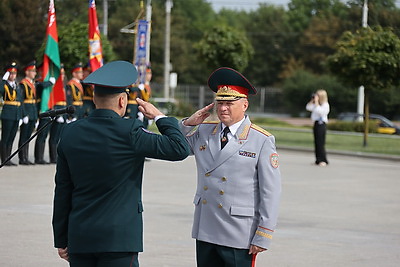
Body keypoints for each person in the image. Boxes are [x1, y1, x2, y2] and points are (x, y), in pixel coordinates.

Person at [52, 60, 190, 267]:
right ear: (122, 101)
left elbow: (63, 190)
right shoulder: (130, 132)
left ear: (95, 99)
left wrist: (61, 239)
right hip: (119, 239)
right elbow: (179, 149)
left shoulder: (70, 132)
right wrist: (160, 117)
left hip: (80, 236)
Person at [180, 67, 282, 267]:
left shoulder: (261, 139)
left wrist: (264, 232)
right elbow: (176, 147)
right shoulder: (204, 130)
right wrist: (188, 123)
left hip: (239, 232)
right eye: (220, 103)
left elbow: (271, 191)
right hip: (206, 227)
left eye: (229, 103)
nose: (223, 108)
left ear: (244, 104)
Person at [18, 61, 54, 165]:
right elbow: (21, 101)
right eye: (32, 71)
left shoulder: (34, 84)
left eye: (34, 71)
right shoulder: (23, 84)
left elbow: (42, 85)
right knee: (23, 136)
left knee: (28, 137)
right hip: (27, 113)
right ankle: (22, 158)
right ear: (27, 72)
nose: (35, 73)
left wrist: (50, 82)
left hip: (33, 113)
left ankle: (25, 157)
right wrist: (24, 114)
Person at [0, 62, 22, 166]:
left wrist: (21, 115)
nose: (13, 75)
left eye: (14, 73)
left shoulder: (16, 85)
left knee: (12, 137)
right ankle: (4, 159)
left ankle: (8, 158)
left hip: (16, 114)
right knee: (5, 137)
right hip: (8, 113)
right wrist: (3, 80)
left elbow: (20, 100)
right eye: (10, 73)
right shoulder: (4, 84)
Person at [306, 89, 330, 166]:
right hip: (316, 123)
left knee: (320, 143)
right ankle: (318, 160)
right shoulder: (315, 104)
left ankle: (323, 160)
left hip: (322, 124)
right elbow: (308, 107)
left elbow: (321, 112)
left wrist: (316, 103)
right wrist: (312, 100)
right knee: (316, 143)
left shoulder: (325, 105)